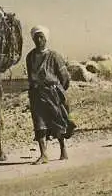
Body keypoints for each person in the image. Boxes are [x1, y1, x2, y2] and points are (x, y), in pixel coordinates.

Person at [26, 25, 76, 165]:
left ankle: (63, 149)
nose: (38, 40)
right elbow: (30, 75)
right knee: (39, 123)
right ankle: (43, 154)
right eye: (36, 37)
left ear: (46, 39)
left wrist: (59, 91)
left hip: (53, 94)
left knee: (57, 121)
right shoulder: (30, 56)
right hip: (36, 93)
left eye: (41, 37)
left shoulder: (54, 56)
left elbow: (65, 77)